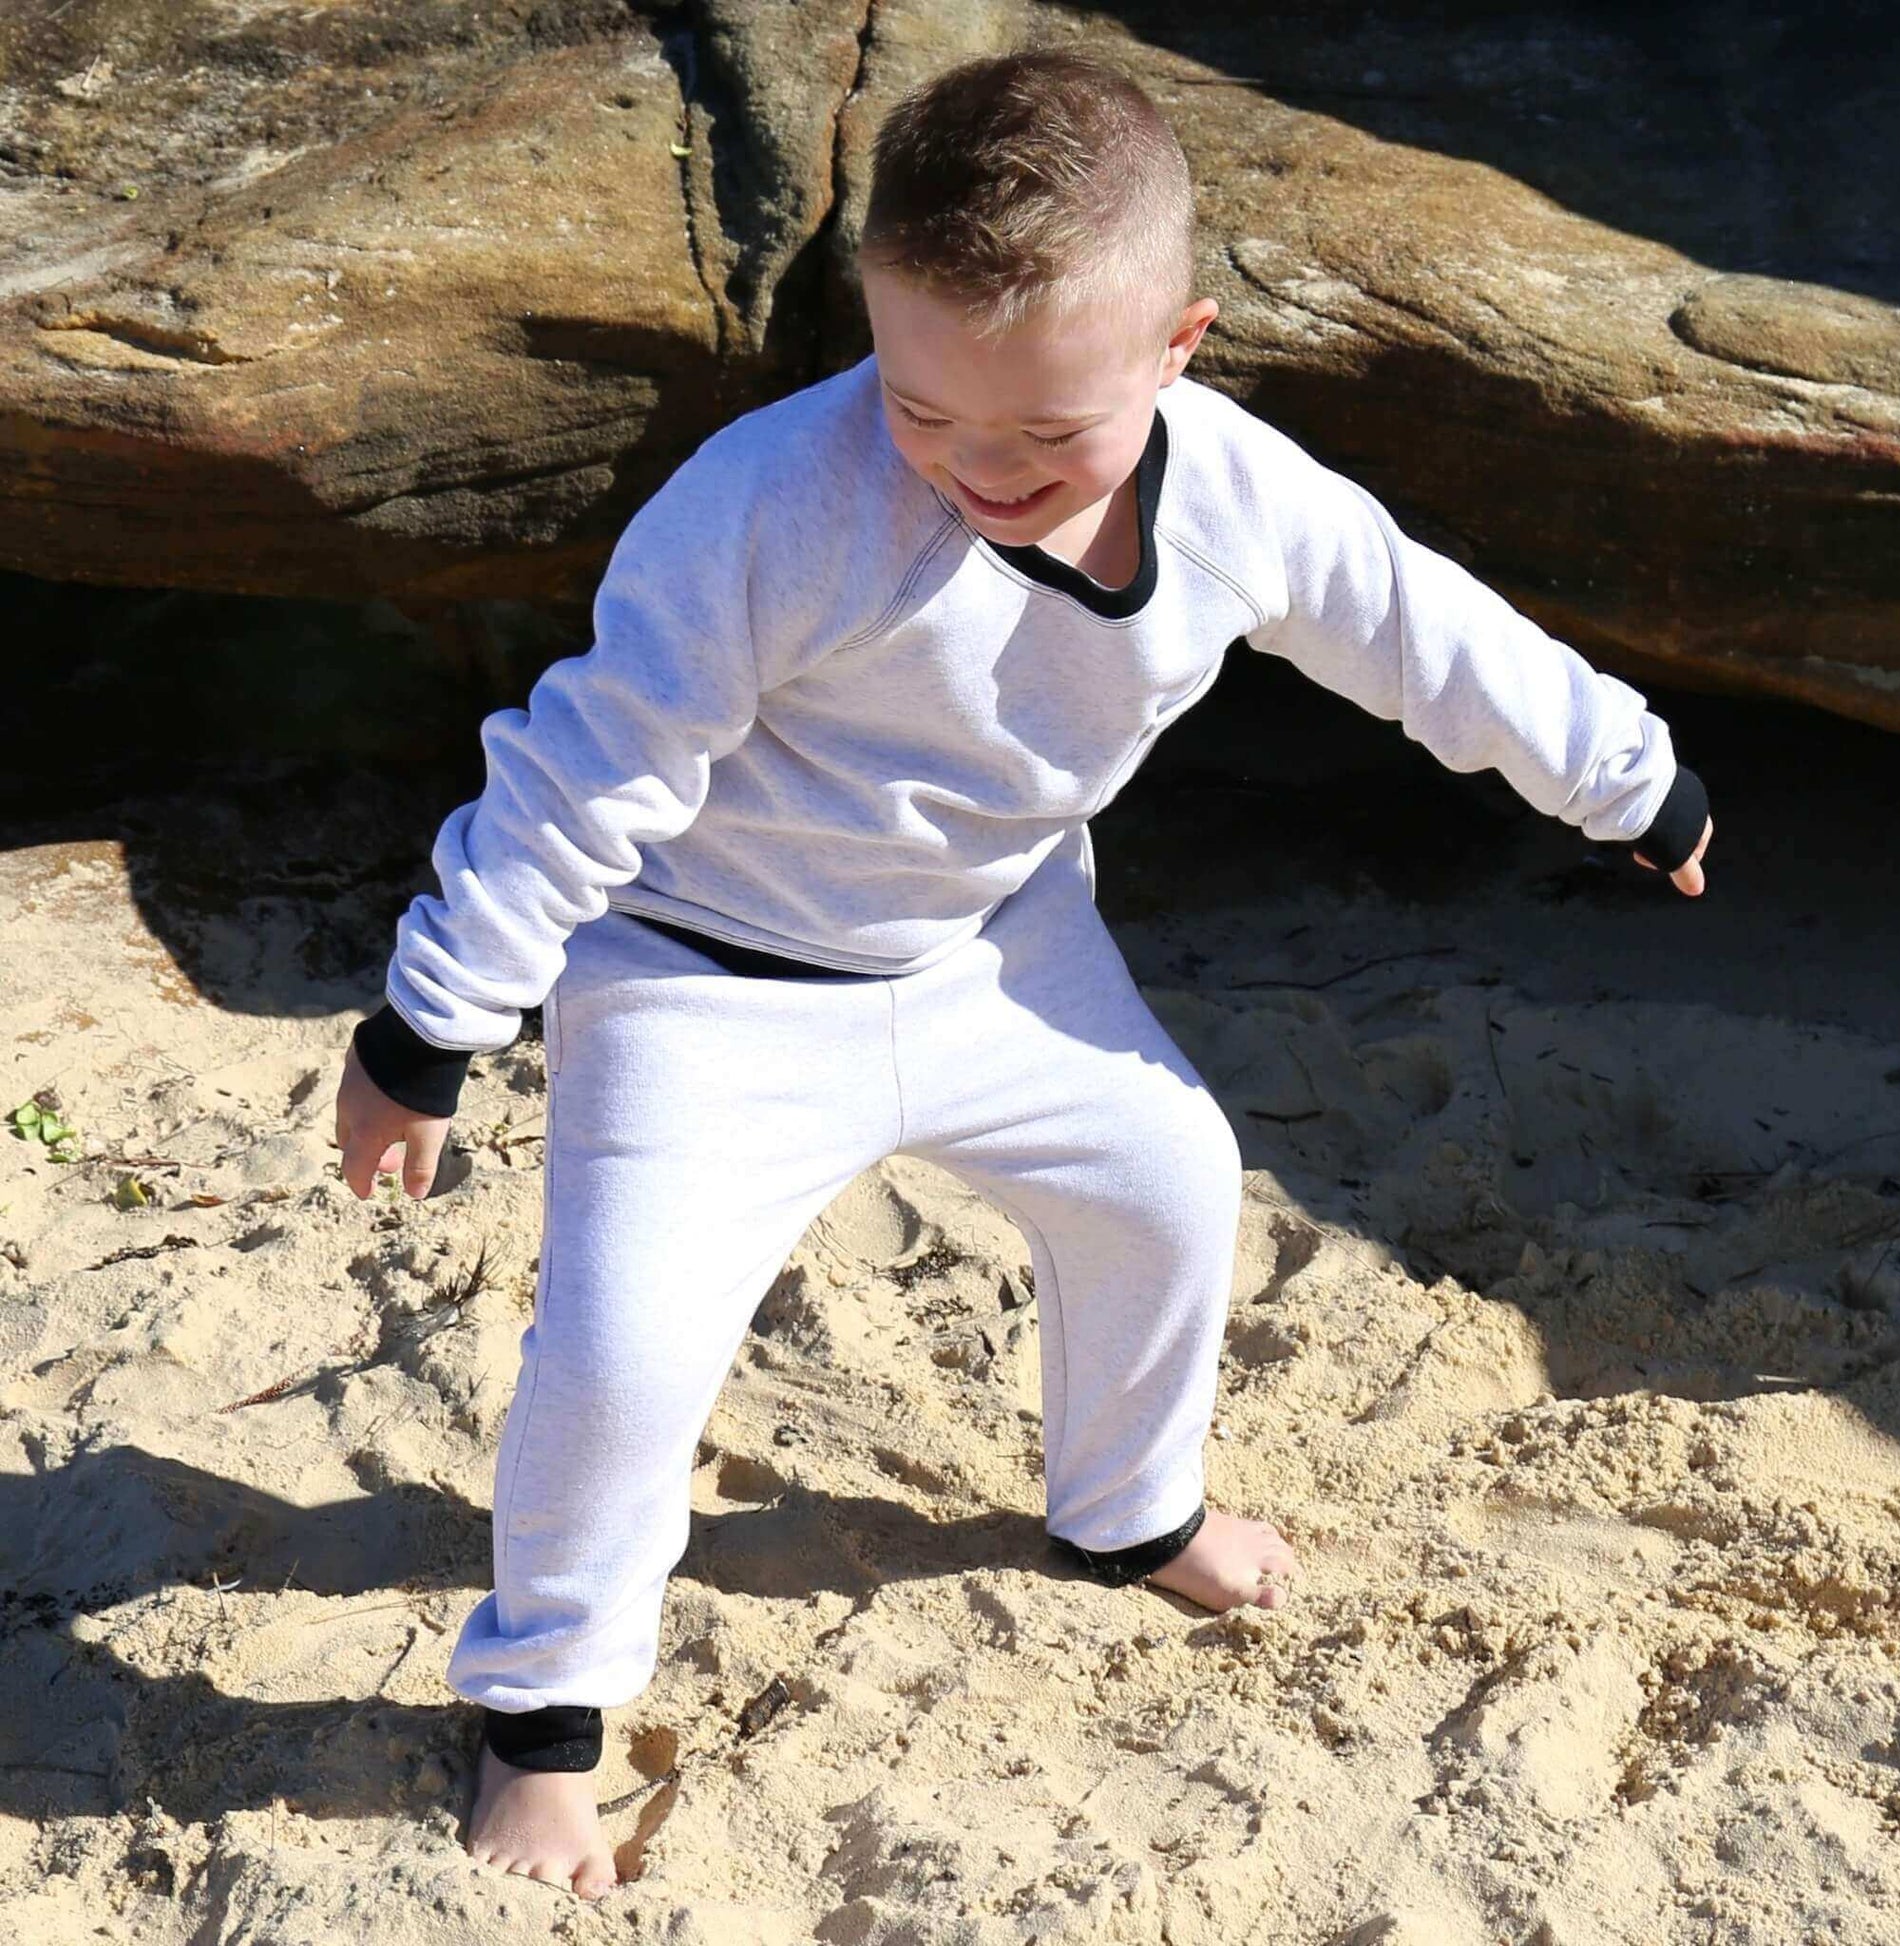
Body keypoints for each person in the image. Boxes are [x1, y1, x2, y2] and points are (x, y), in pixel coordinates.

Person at [333, 48, 1713, 1901]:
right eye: (922, 410)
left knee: (1168, 1182)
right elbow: (590, 768)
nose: (979, 471)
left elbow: (1415, 628)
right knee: (622, 1347)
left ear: (1178, 345)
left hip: (995, 940)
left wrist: (1626, 776)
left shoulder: (1233, 492)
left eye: (1042, 436)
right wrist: (431, 1025)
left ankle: (1125, 1507)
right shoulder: (766, 507)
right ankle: (546, 1717)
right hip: (703, 976)